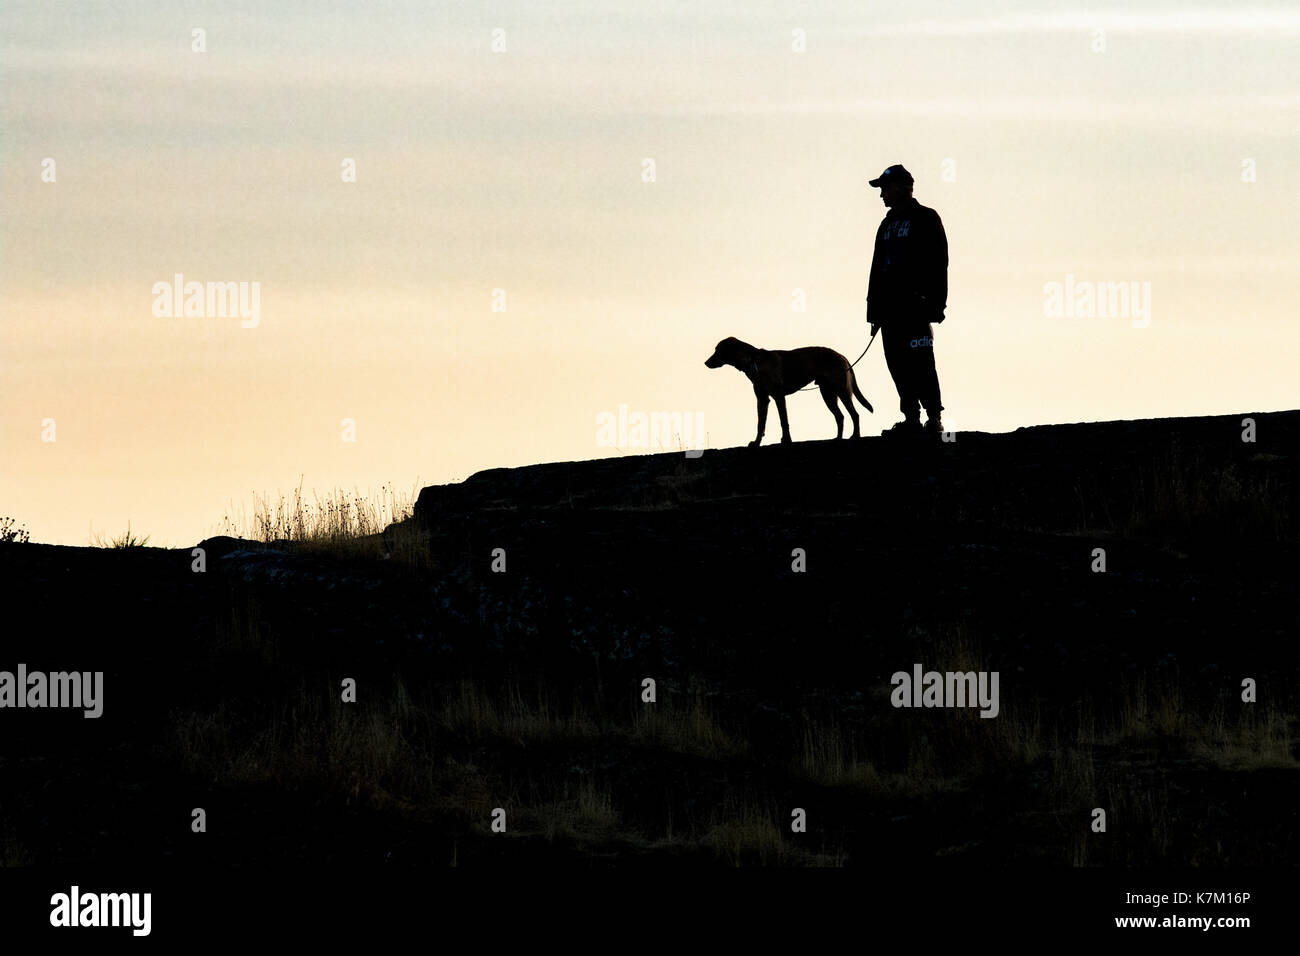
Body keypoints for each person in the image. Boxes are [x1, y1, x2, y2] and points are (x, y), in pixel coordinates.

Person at [865, 164, 948, 438]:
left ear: (902, 187)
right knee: (897, 364)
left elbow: (939, 261)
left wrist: (935, 302)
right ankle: (911, 418)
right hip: (889, 311)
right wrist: (874, 311)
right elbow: (876, 268)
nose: (882, 195)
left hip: (916, 308)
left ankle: (934, 418)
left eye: (885, 189)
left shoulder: (926, 218)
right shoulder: (886, 225)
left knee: (922, 363)